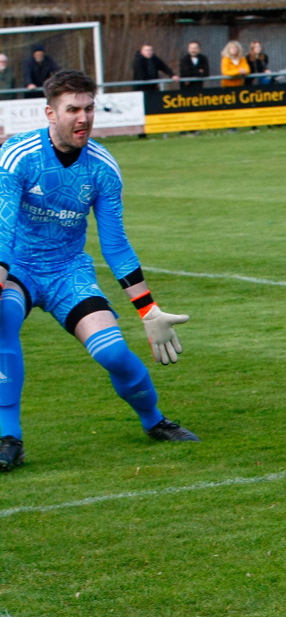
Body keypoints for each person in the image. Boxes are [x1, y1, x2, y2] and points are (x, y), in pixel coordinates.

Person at [0, 70, 199, 473]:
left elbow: (115, 244)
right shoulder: (18, 155)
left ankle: (155, 420)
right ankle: (9, 438)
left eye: (89, 108)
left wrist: (148, 310)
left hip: (67, 272)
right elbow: (2, 226)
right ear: (50, 113)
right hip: (17, 265)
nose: (83, 118)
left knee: (113, 353)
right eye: (72, 109)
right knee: (2, 318)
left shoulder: (103, 167)